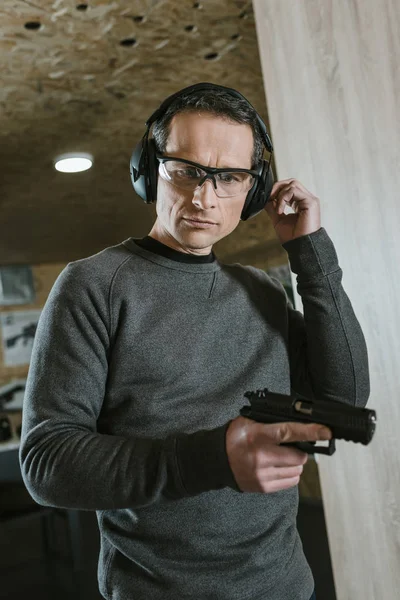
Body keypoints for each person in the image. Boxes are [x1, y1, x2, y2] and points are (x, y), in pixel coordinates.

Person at [19, 84, 370, 600]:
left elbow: (345, 397)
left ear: (253, 190)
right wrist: (208, 460)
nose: (204, 197)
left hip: (286, 586)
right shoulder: (94, 285)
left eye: (229, 177)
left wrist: (310, 255)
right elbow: (47, 463)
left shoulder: (263, 292)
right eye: (185, 170)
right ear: (148, 168)